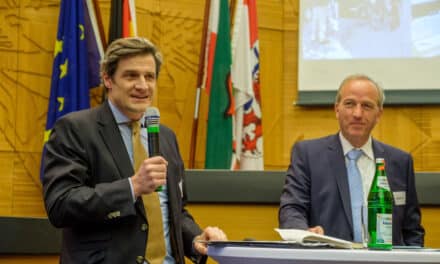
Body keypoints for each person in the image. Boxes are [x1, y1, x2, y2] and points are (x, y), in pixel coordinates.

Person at [42, 37, 227, 264]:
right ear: (108, 79)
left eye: (149, 77)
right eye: (131, 76)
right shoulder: (76, 129)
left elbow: (173, 210)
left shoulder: (166, 136)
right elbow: (61, 205)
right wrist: (132, 187)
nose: (142, 85)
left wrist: (196, 239)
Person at [278, 74, 425, 246]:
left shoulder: (400, 161)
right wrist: (304, 233)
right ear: (336, 109)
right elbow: (292, 209)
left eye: (367, 106)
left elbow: (412, 230)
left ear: (379, 114)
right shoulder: (308, 155)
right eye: (349, 104)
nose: (357, 113)